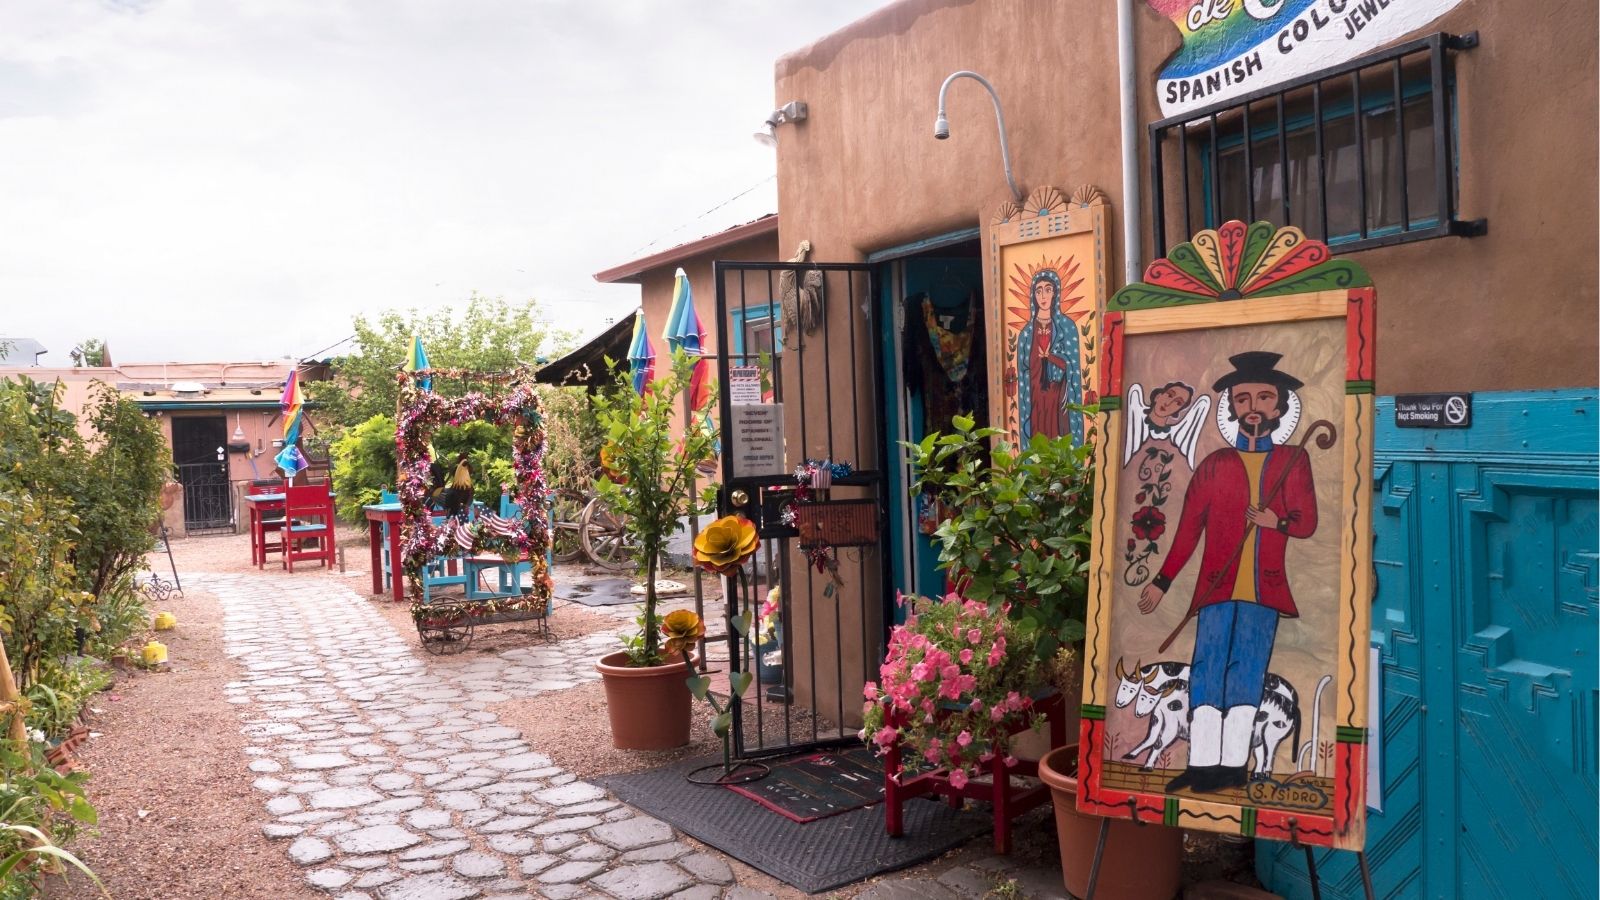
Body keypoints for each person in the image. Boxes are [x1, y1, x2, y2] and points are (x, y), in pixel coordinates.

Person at [1136, 351, 1318, 794]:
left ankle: (1233, 767)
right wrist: (1162, 582)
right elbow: (1187, 533)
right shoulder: (1215, 465)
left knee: (1246, 673)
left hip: (1264, 591)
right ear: (1232, 408)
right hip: (1215, 589)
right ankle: (1201, 765)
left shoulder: (1293, 462)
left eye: (1263, 398)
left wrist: (1277, 522)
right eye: (1242, 399)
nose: (1252, 406)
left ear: (1279, 408)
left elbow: (1307, 521)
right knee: (1207, 669)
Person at [1014, 269, 1083, 445]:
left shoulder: (1066, 327)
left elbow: (1072, 365)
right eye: (1038, 291)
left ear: (1055, 293)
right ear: (1033, 296)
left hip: (1057, 395)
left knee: (1058, 437)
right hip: (1035, 396)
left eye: (1048, 289)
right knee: (1038, 443)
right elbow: (1022, 371)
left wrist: (1051, 357)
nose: (1043, 295)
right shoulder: (1026, 333)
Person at [440, 452, 474, 518]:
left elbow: (471, 471)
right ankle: (449, 510)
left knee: (451, 494)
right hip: (458, 484)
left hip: (462, 484)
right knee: (450, 494)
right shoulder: (459, 467)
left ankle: (450, 510)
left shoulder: (464, 466)